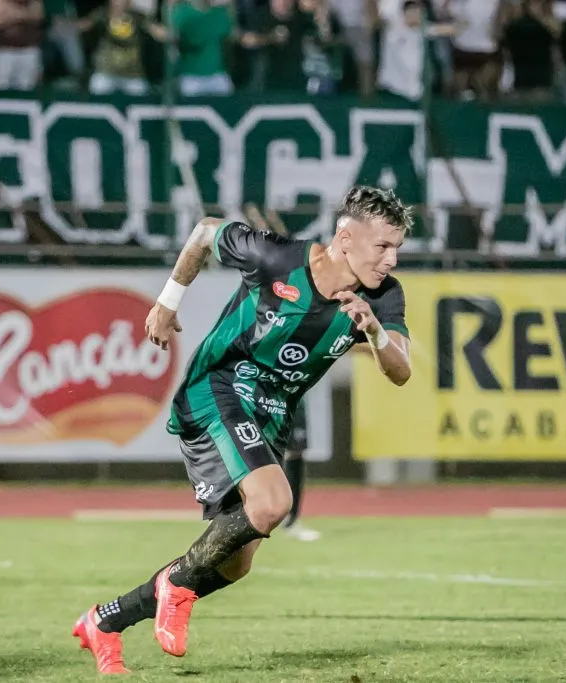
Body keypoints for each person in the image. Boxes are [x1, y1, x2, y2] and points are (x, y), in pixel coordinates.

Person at [72, 185, 413, 674]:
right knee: (273, 503)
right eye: (382, 246)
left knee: (236, 561)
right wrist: (168, 302)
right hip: (220, 388)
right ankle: (177, 585)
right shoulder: (278, 258)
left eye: (396, 247)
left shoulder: (383, 295)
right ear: (345, 238)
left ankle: (105, 621)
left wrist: (375, 330)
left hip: (271, 414)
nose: (391, 259)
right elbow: (205, 232)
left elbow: (400, 371)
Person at [281, 400, 319, 541]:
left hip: (293, 403)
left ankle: (290, 518)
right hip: (282, 403)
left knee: (295, 455)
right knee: (292, 455)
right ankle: (289, 520)